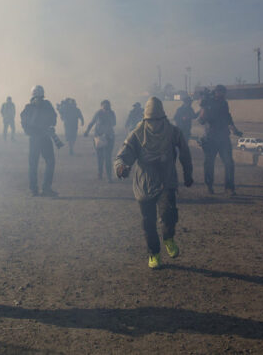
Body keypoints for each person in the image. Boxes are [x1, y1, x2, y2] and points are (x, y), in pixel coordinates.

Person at [115, 96, 193, 269]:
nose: (154, 124)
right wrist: (121, 167)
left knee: (169, 214)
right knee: (148, 221)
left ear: (163, 118)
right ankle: (154, 254)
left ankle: (168, 238)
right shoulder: (137, 133)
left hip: (167, 178)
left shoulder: (173, 132)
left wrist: (188, 173)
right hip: (145, 181)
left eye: (157, 120)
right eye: (151, 120)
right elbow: (123, 154)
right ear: (145, 119)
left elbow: (185, 152)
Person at [198, 84, 242, 195]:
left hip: (223, 138)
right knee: (209, 163)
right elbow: (201, 120)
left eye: (224, 92)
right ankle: (209, 186)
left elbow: (228, 118)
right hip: (210, 137)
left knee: (229, 163)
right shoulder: (208, 103)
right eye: (221, 92)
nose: (223, 94)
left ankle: (229, 188)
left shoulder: (224, 103)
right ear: (216, 92)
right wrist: (203, 108)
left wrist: (235, 130)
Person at [21, 85, 59, 197]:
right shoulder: (45, 105)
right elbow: (53, 118)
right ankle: (44, 188)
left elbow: (25, 124)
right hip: (42, 138)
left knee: (34, 164)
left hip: (37, 139)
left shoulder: (28, 108)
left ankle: (35, 189)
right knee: (48, 162)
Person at [84, 99, 117, 182]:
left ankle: (109, 176)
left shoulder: (112, 113)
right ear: (101, 106)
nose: (106, 107)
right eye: (104, 106)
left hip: (109, 137)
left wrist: (108, 118)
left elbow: (114, 123)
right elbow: (92, 122)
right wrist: (87, 131)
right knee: (100, 157)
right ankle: (100, 173)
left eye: (107, 106)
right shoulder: (98, 113)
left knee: (107, 157)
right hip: (98, 138)